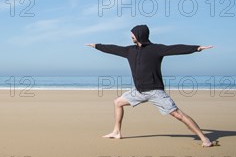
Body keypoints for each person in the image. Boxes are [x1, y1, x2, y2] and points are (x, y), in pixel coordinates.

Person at [86, 24, 215, 147]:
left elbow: (175, 48)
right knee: (118, 102)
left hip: (155, 91)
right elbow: (113, 49)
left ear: (140, 35)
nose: (131, 36)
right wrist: (97, 46)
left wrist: (196, 48)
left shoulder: (156, 49)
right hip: (139, 91)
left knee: (178, 114)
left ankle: (205, 139)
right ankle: (117, 132)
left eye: (133, 34)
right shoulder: (130, 51)